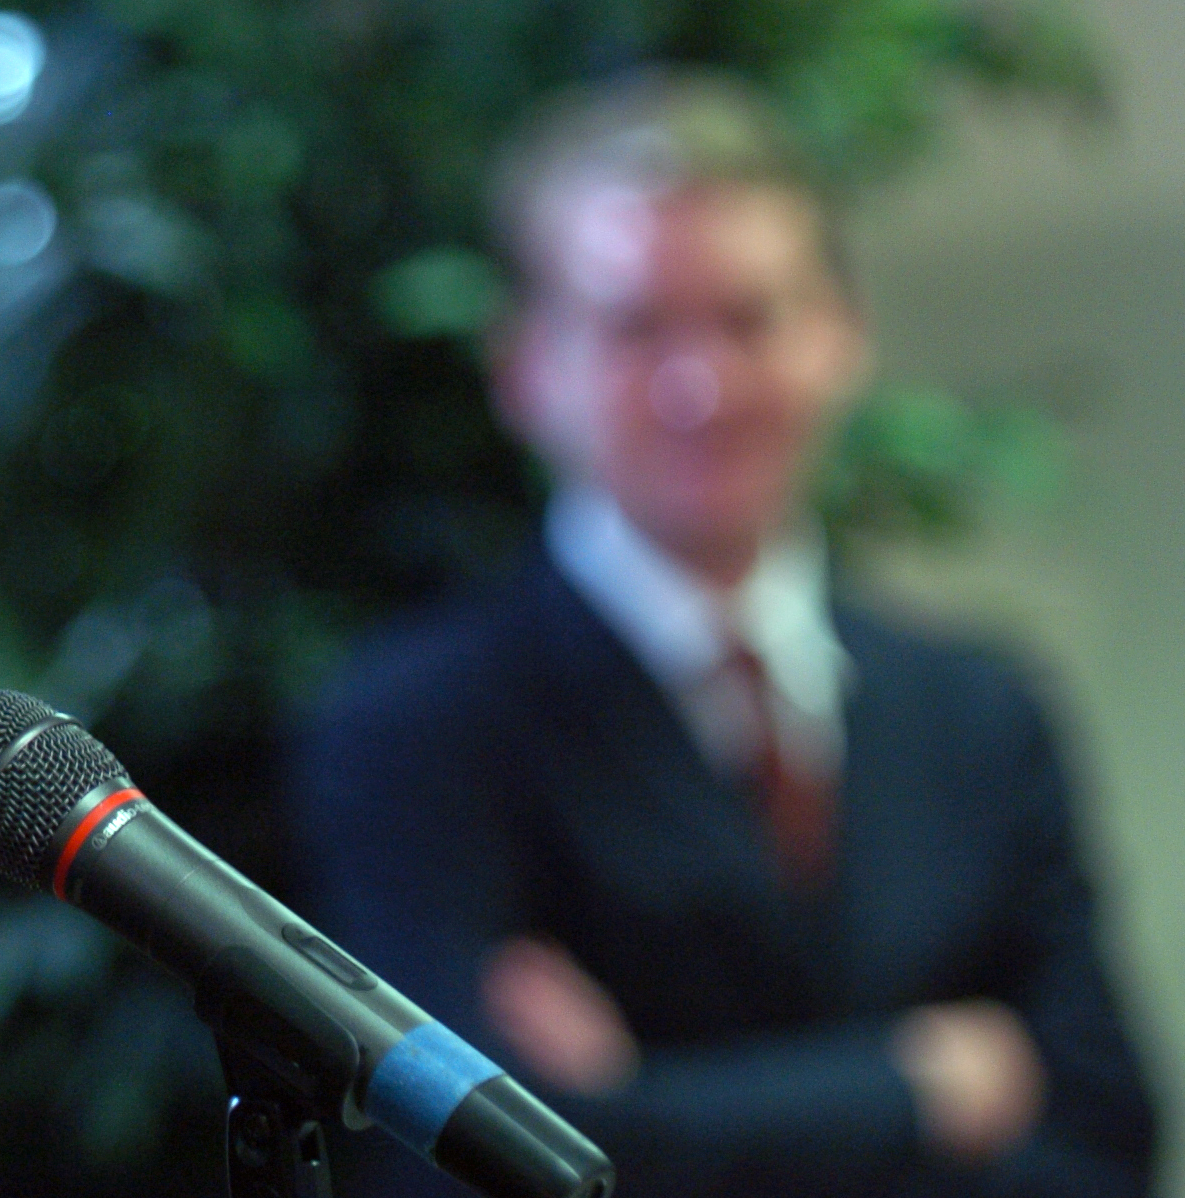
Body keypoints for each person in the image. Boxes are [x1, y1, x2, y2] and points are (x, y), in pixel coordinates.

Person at [288, 76, 1156, 1197]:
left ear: (843, 337)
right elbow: (455, 1169)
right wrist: (914, 1089)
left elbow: (1102, 1136)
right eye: (635, 328)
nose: (703, 386)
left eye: (751, 319)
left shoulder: (980, 708)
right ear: (524, 368)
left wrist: (634, 1106)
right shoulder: (412, 727)